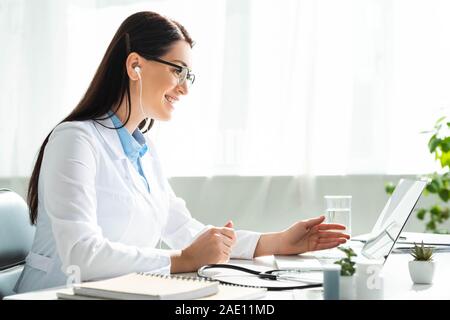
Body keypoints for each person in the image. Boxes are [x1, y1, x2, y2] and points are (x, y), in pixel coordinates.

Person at [15, 11, 349, 293]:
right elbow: (81, 255)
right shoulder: (75, 140)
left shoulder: (144, 151)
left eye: (189, 75)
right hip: (53, 295)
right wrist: (181, 260)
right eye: (177, 70)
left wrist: (277, 242)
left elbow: (185, 231)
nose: (185, 88)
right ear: (135, 66)